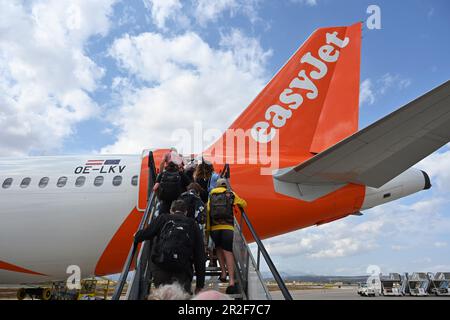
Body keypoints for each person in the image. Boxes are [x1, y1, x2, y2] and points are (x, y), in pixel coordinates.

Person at [134, 200, 206, 295]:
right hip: (182, 271)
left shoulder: (163, 218)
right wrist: (199, 285)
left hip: (161, 269)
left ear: (171, 210)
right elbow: (200, 255)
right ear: (186, 212)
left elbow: (145, 234)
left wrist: (137, 235)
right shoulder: (192, 224)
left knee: (164, 296)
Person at [206, 178, 247, 295]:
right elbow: (244, 203)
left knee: (218, 248)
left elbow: (208, 212)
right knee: (228, 251)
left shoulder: (211, 196)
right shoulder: (230, 194)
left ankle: (223, 273)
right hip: (227, 228)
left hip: (215, 229)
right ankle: (232, 281)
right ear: (226, 185)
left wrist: (207, 231)